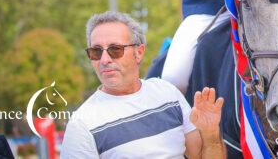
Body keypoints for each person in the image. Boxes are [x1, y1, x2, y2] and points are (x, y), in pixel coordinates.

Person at [61, 11, 226, 158]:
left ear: (138, 53)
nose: (104, 59)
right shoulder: (82, 124)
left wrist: (211, 134)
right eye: (96, 51)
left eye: (115, 49)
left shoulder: (168, 93)